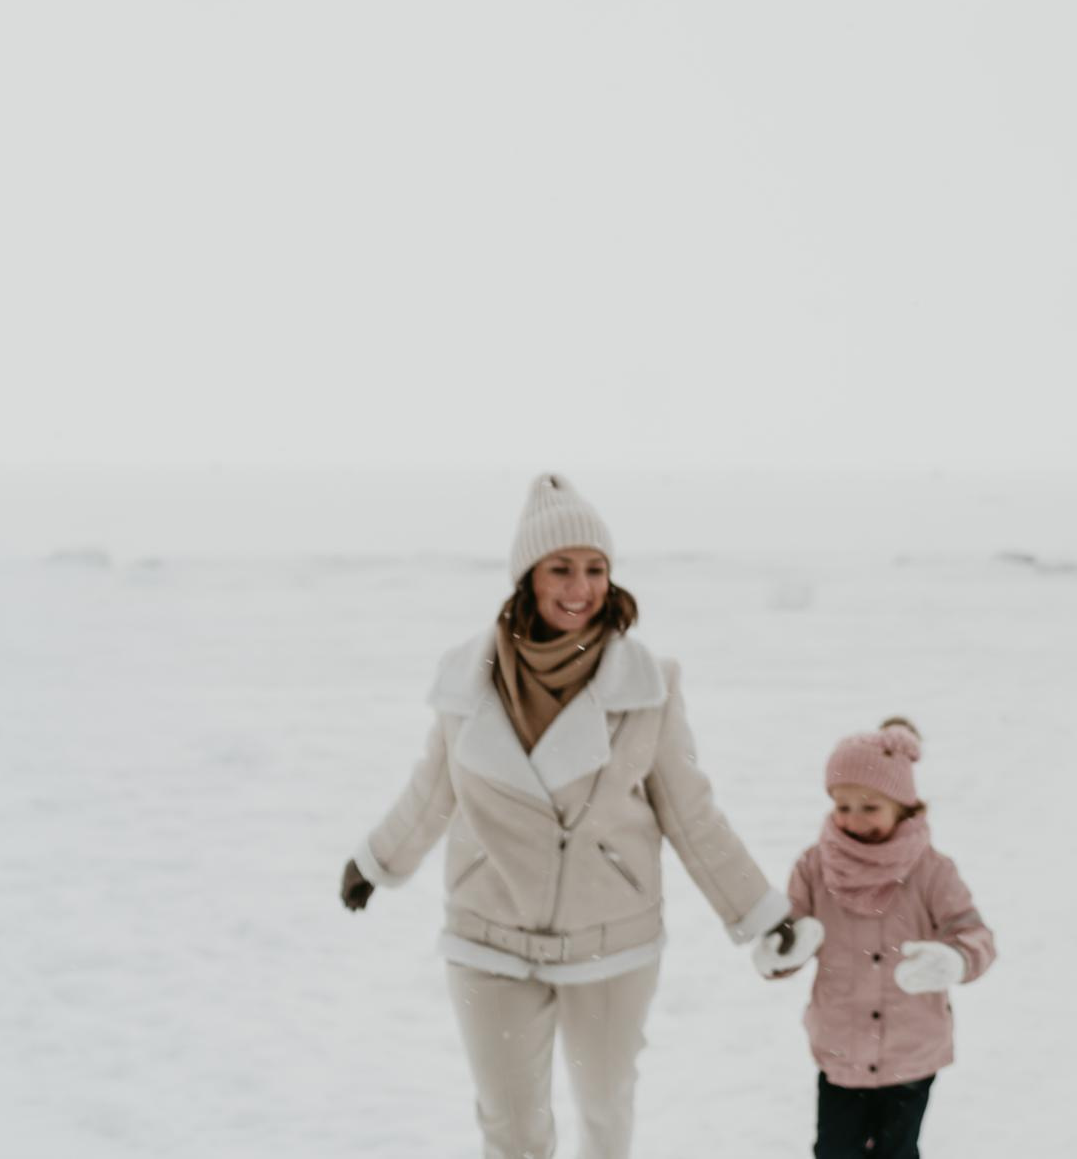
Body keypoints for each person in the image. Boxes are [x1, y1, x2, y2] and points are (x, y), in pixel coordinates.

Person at [340, 472, 789, 1159]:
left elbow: (692, 817)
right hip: (487, 932)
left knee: (605, 1118)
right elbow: (433, 792)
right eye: (561, 568)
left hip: (610, 941)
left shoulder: (647, 686)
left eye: (595, 569)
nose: (580, 587)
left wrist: (760, 913)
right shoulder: (468, 683)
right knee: (510, 1131)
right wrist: (377, 860)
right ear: (528, 576)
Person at [753, 719, 997, 1159]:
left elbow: (975, 934)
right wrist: (779, 952)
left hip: (911, 1052)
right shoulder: (814, 867)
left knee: (896, 1152)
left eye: (870, 807)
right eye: (843, 806)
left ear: (903, 807)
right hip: (840, 1049)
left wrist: (956, 959)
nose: (854, 820)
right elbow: (791, 931)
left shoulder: (931, 871)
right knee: (835, 1151)